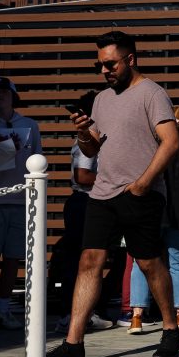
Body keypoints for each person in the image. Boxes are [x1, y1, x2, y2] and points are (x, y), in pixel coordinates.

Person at [47, 30, 179, 357]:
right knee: (89, 261)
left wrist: (143, 184)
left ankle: (170, 329)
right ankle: (74, 342)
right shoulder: (102, 99)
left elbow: (171, 142)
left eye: (110, 64)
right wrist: (82, 133)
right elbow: (93, 147)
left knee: (148, 262)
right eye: (100, 65)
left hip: (141, 194)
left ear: (130, 59)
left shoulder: (152, 93)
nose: (104, 71)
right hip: (102, 193)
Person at [129, 106, 179, 331]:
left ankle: (137, 316)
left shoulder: (158, 146)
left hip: (156, 210)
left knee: (141, 260)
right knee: (178, 262)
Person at [0, 76, 42, 334]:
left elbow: (39, 159)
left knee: (13, 258)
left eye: (4, 91)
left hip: (20, 201)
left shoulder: (29, 125)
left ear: (13, 95)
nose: (0, 96)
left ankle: (4, 308)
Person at [54, 91, 113, 334]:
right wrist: (114, 178)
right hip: (84, 202)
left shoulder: (95, 138)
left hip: (88, 202)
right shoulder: (86, 141)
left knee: (94, 259)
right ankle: (73, 314)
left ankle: (89, 311)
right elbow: (83, 176)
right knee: (82, 260)